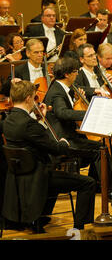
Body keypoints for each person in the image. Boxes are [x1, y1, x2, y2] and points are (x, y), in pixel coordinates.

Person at [2, 80, 96, 232]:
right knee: (88, 183)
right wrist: (64, 143)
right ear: (27, 98)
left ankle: (40, 215)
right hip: (38, 177)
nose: (35, 102)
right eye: (34, 97)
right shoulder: (29, 124)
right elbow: (55, 148)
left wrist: (40, 119)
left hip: (18, 177)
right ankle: (79, 229)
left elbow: (35, 138)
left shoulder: (7, 120)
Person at [43, 57, 107, 189]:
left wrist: (95, 90)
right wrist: (90, 113)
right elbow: (62, 113)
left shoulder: (62, 85)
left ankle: (98, 184)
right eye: (76, 71)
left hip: (71, 135)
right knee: (101, 150)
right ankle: (104, 187)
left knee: (99, 147)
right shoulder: (57, 93)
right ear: (67, 74)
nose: (77, 74)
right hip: (63, 140)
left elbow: (79, 87)